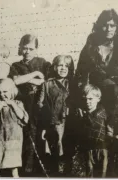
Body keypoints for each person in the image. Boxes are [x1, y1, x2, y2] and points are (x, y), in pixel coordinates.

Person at [75, 9, 118, 176]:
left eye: (113, 26)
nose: (109, 29)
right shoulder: (91, 45)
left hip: (115, 98)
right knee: (96, 144)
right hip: (96, 99)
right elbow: (80, 74)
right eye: (105, 26)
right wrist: (82, 98)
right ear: (99, 27)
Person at [10, 34, 51, 175]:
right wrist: (35, 75)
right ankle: (25, 171)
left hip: (39, 105)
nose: (27, 51)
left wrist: (28, 80)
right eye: (25, 48)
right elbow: (16, 80)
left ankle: (39, 170)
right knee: (26, 136)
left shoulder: (43, 63)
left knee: (40, 135)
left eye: (31, 49)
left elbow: (46, 81)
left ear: (36, 49)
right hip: (24, 105)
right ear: (20, 48)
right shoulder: (16, 66)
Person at [37, 55, 74, 174]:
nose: (63, 68)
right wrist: (44, 122)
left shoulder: (72, 84)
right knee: (54, 149)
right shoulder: (47, 84)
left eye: (66, 66)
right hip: (52, 122)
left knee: (67, 149)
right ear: (54, 67)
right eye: (60, 65)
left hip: (68, 123)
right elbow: (40, 104)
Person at [0, 78, 28, 177]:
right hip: (0, 135)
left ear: (12, 91)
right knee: (0, 157)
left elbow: (23, 117)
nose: (2, 95)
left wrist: (13, 104)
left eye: (5, 91)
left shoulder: (18, 103)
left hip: (14, 136)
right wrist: (0, 105)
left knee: (13, 159)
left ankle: (15, 175)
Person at [77, 84, 108, 177]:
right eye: (85, 99)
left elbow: (93, 122)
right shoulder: (85, 113)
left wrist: (83, 116)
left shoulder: (101, 112)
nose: (87, 102)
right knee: (89, 173)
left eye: (90, 99)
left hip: (101, 148)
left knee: (101, 174)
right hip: (88, 148)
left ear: (98, 99)